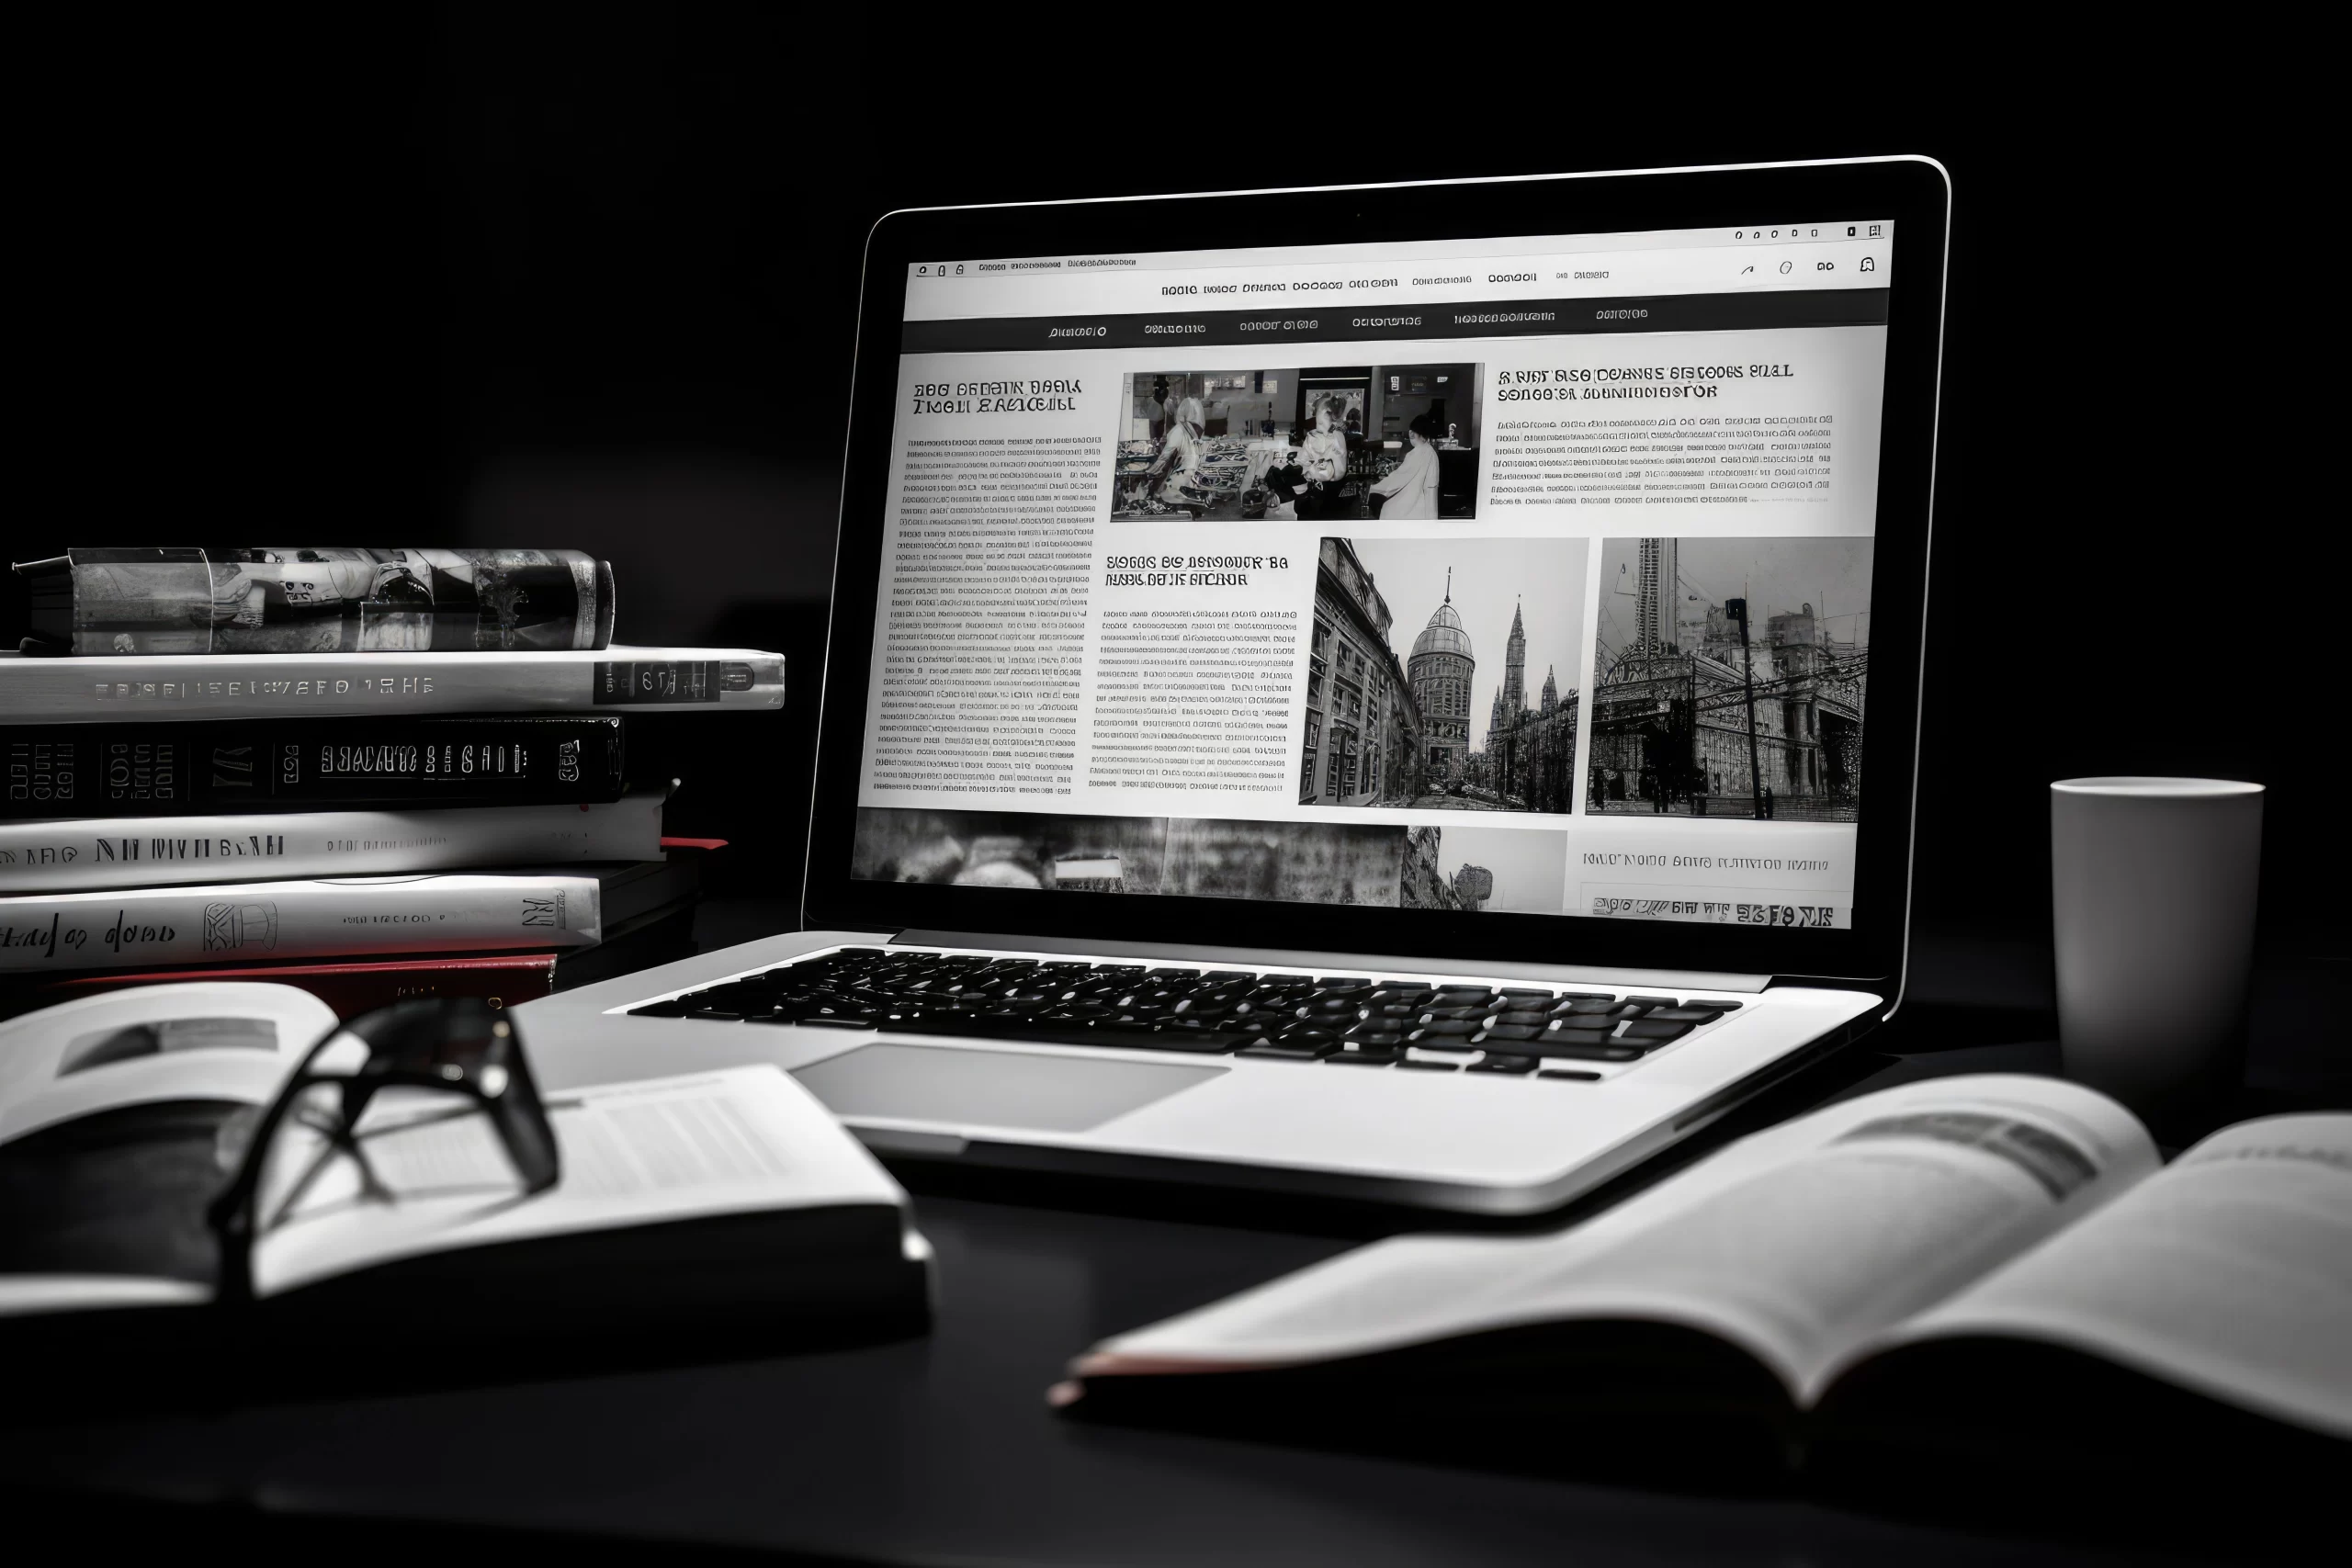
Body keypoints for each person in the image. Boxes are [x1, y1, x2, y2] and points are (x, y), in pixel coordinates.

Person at [1369, 412, 1442, 520]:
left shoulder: (1416, 453)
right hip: (1426, 509)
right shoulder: (1431, 452)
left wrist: (1374, 488)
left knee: (1387, 511)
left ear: (1411, 433)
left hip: (1411, 508)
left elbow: (1397, 479)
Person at [1297, 398, 1349, 520]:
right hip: (1312, 492)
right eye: (1316, 423)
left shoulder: (1337, 437)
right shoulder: (1312, 437)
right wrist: (1305, 464)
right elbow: (1303, 459)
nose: (1318, 427)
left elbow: (1338, 471)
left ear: (1333, 423)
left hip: (1331, 494)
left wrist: (1325, 460)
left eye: (1321, 423)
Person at [1261, 429, 1307, 520]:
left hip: (1295, 488)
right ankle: (1269, 486)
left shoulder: (1300, 454)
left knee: (1274, 471)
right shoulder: (1299, 452)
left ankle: (1269, 486)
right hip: (1293, 489)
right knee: (1274, 471)